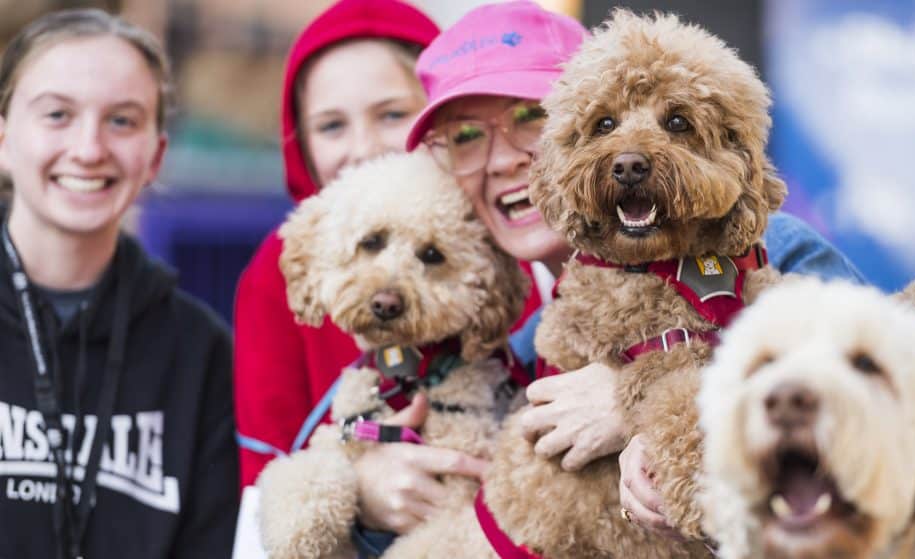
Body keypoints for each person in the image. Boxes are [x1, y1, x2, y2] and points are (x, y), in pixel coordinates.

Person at [403, 0, 866, 544]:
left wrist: (635, 398)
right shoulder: (507, 330)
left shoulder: (776, 251)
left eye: (527, 117)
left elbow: (880, 410)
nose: (503, 159)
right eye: (464, 136)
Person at [233, 0, 537, 545]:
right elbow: (262, 479)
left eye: (392, 115)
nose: (364, 148)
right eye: (330, 126)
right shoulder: (274, 272)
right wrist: (361, 490)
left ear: (443, 121)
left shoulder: (501, 240)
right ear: (300, 143)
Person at [0, 8, 237, 558]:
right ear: (5, 140)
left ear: (155, 155)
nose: (89, 149)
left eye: (122, 121)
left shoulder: (199, 352)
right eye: (57, 114)